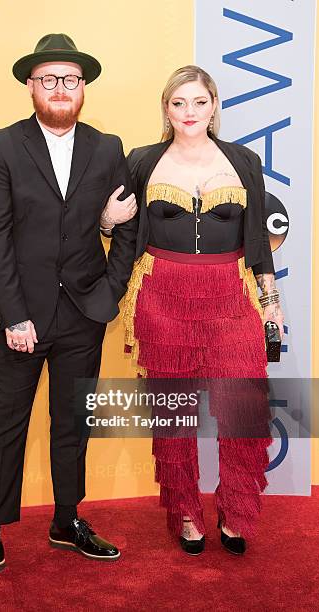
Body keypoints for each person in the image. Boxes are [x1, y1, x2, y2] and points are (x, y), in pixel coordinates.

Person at [0, 33, 137, 592]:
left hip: (83, 314)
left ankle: (68, 520)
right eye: (49, 79)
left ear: (83, 86)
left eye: (70, 79)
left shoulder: (108, 146)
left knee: (73, 424)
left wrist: (109, 295)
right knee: (5, 428)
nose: (60, 88)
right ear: (31, 86)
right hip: (19, 318)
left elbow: (124, 224)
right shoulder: (2, 146)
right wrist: (16, 315)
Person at [122, 65, 284, 555]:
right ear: (166, 109)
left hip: (231, 296)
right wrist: (108, 224)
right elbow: (126, 233)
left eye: (198, 102)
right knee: (174, 415)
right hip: (161, 295)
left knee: (242, 410)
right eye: (178, 103)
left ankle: (235, 512)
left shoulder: (244, 160)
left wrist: (272, 307)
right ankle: (186, 514)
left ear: (213, 105)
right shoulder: (142, 161)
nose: (188, 112)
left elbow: (258, 241)